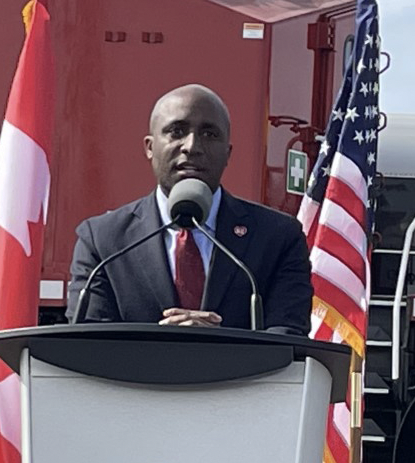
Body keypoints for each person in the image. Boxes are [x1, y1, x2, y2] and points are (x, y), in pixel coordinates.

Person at [66, 84, 313, 331]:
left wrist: (217, 344)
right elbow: (89, 342)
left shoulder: (278, 237)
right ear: (150, 147)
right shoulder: (103, 240)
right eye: (176, 131)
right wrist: (171, 344)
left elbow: (288, 336)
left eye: (209, 134)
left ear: (228, 153)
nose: (192, 146)